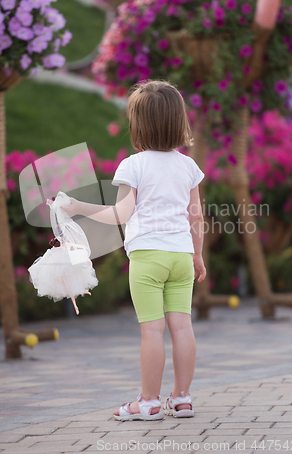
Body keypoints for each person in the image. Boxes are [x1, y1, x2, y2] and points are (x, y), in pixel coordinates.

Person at [61, 80, 206, 421]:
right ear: (178, 121)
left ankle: (149, 402)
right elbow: (196, 216)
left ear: (137, 125)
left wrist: (76, 205)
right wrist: (198, 255)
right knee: (182, 328)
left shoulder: (133, 166)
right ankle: (182, 399)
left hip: (147, 259)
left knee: (151, 331)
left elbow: (120, 216)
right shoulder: (187, 167)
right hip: (182, 258)